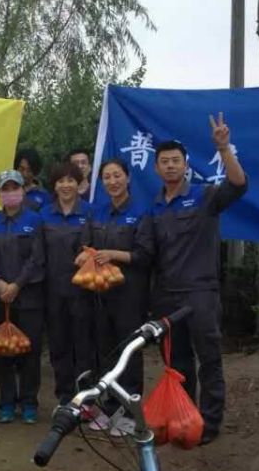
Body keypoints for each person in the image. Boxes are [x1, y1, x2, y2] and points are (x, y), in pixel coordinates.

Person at [141, 114, 247, 445]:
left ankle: (209, 424)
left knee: (209, 360)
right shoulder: (154, 207)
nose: (170, 166)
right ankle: (185, 421)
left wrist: (224, 148)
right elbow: (145, 255)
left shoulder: (205, 196)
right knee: (177, 362)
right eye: (164, 161)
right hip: (166, 296)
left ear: (185, 165)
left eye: (176, 160)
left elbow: (238, 185)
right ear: (156, 168)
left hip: (200, 293)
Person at [79, 158, 151, 436]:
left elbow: (145, 255)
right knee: (105, 351)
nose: (112, 181)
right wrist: (85, 255)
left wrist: (113, 255)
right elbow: (85, 245)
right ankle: (110, 407)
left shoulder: (141, 212)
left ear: (128, 177)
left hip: (130, 294)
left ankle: (130, 413)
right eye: (107, 177)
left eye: (117, 175)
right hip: (101, 292)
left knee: (129, 352)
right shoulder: (98, 213)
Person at [0, 170, 45, 424]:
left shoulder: (35, 220)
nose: (10, 193)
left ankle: (29, 403)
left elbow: (36, 257)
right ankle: (7, 402)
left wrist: (17, 284)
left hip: (29, 296)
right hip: (0, 297)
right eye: (5, 189)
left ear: (22, 191)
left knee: (30, 351)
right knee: (2, 352)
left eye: (15, 188)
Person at [40, 162, 94, 405]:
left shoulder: (90, 212)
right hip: (53, 291)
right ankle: (64, 396)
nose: (65, 185)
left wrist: (89, 253)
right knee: (59, 345)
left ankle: (85, 398)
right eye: (61, 181)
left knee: (83, 345)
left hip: (83, 291)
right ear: (54, 185)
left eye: (71, 180)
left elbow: (98, 246)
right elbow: (37, 253)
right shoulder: (44, 215)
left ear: (79, 184)